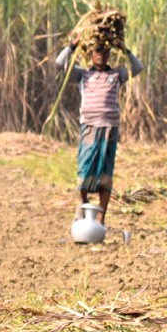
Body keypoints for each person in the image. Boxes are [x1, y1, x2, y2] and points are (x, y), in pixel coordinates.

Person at [54, 39, 144, 226]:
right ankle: (84, 204)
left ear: (109, 54)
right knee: (84, 168)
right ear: (90, 54)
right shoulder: (82, 75)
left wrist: (124, 48)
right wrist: (72, 46)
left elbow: (138, 67)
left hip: (109, 128)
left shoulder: (117, 74)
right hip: (89, 126)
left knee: (105, 171)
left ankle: (102, 216)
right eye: (96, 52)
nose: (100, 55)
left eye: (104, 52)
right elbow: (59, 64)